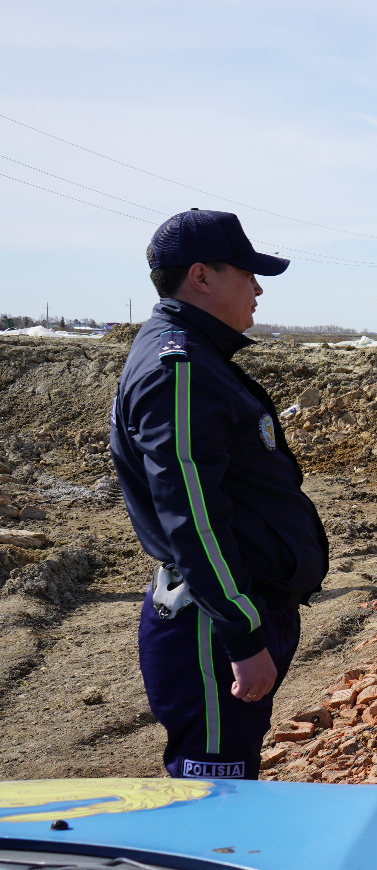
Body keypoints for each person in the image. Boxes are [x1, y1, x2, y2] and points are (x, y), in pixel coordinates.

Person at [111, 209, 329, 779]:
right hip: (211, 626)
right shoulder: (179, 369)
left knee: (222, 787)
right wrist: (241, 633)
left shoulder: (198, 359)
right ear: (202, 276)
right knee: (212, 796)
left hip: (227, 615)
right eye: (248, 273)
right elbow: (192, 514)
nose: (258, 288)